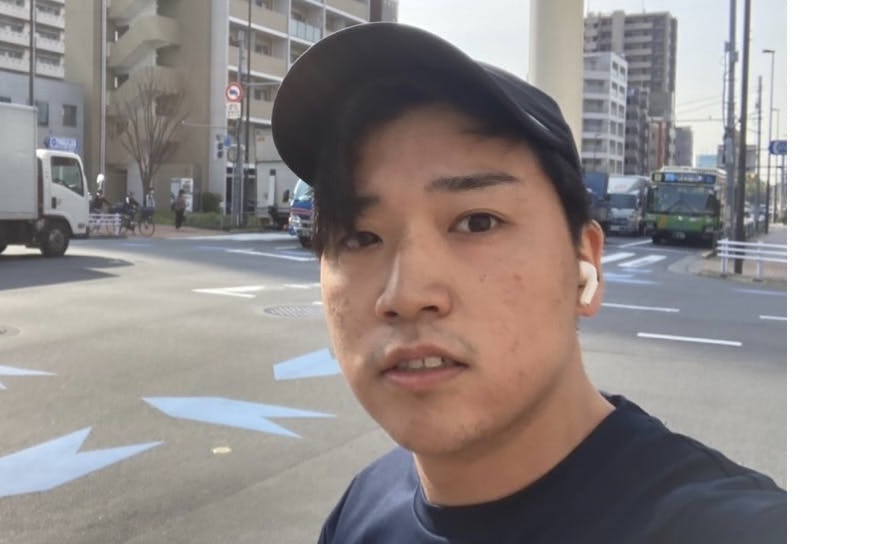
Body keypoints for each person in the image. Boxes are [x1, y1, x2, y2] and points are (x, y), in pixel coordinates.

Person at [269, 23, 786, 544]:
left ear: (584, 261)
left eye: (477, 222)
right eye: (359, 237)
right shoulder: (358, 514)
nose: (405, 295)